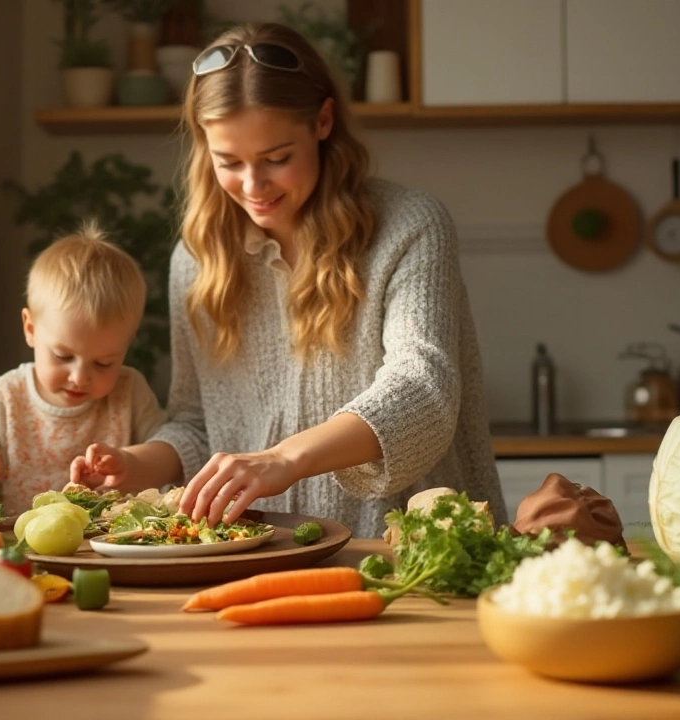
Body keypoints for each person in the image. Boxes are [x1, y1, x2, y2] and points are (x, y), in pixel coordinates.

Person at [69, 22, 504, 538]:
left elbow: (422, 392)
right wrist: (136, 464)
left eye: (277, 159)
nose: (253, 187)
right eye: (228, 161)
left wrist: (284, 458)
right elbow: (198, 422)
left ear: (323, 121)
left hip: (410, 548)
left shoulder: (409, 226)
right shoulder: (197, 258)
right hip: (262, 556)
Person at [0, 223, 166, 516]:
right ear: (30, 329)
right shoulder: (5, 396)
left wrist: (129, 461)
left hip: (109, 547)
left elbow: (168, 453)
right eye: (63, 356)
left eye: (104, 363)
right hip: (21, 548)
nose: (80, 377)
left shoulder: (131, 391)